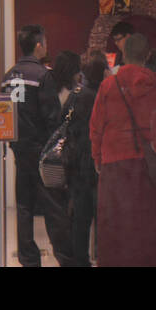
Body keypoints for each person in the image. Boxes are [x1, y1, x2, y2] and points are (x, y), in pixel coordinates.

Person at [90, 31, 156, 266]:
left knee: (114, 220)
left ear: (123, 53)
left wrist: (97, 156)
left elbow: (96, 126)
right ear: (149, 55)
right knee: (146, 218)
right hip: (149, 160)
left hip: (114, 158)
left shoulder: (108, 85)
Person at [1, 25, 73, 267]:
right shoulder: (43, 75)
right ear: (39, 45)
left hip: (19, 150)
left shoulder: (8, 76)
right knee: (53, 206)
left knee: (24, 206)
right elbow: (52, 116)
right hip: (41, 151)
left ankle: (28, 257)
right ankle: (64, 256)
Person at [62, 50, 103, 266]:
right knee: (102, 215)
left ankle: (80, 259)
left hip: (76, 161)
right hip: (97, 162)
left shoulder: (76, 95)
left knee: (80, 216)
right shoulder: (105, 96)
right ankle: (101, 255)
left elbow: (62, 122)